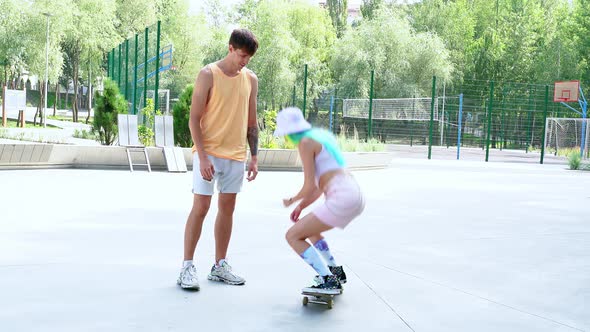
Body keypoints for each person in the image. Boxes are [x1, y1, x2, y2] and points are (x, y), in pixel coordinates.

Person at [177, 29, 259, 290]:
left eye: (249, 58)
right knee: (200, 208)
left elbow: (252, 123)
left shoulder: (251, 79)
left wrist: (254, 156)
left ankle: (219, 265)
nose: (245, 61)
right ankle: (187, 267)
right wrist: (201, 157)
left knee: (227, 209)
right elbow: (194, 119)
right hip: (209, 153)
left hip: (235, 155)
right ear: (231, 48)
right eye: (242, 55)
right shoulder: (208, 74)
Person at [275, 107, 365, 293]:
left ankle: (328, 279)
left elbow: (308, 186)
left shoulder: (306, 143)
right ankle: (334, 270)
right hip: (354, 195)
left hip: (342, 199)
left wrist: (291, 200)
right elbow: (317, 187)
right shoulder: (321, 138)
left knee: (292, 236)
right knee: (310, 230)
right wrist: (301, 206)